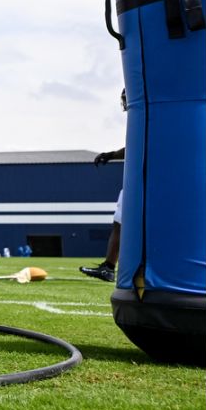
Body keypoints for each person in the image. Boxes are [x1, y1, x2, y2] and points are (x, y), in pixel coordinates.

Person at [81, 90, 128, 282]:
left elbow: (136, 146)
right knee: (120, 224)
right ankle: (109, 266)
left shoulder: (146, 117)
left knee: (120, 225)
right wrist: (111, 155)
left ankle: (109, 267)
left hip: (143, 181)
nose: (123, 102)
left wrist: (111, 155)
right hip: (146, 180)